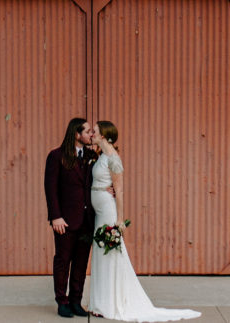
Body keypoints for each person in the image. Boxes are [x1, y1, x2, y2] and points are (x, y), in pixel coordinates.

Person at [88, 121, 200, 322]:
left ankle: (110, 303)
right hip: (98, 210)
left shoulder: (113, 159)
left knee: (109, 254)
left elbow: (119, 190)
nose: (92, 134)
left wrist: (120, 221)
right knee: (99, 253)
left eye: (95, 132)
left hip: (107, 212)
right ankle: (100, 302)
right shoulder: (102, 156)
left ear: (104, 136)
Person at [44, 117, 96, 318]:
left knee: (81, 264)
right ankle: (62, 301)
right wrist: (55, 216)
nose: (91, 134)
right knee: (63, 261)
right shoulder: (56, 156)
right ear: (77, 134)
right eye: (88, 131)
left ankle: (76, 301)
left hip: (87, 220)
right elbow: (51, 189)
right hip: (64, 220)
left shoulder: (92, 156)